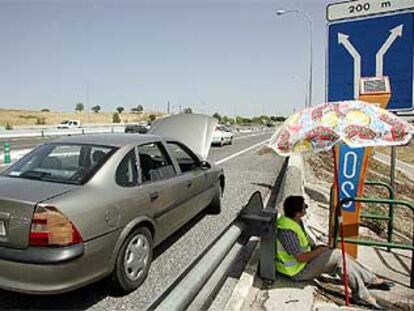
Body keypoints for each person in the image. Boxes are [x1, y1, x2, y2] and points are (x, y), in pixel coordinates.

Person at [276, 195, 394, 310]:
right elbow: (300, 258)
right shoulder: (287, 231)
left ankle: (371, 279)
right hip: (297, 271)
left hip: (305, 263)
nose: (306, 207)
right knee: (338, 257)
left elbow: (305, 244)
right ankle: (363, 296)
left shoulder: (296, 221)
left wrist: (317, 247)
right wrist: (320, 251)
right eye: (304, 207)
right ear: (297, 213)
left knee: (339, 255)